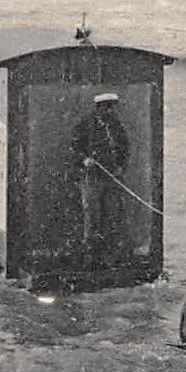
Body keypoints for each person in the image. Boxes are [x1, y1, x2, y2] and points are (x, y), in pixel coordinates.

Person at [72, 92, 131, 268]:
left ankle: (111, 256)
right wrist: (84, 160)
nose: (111, 110)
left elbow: (125, 149)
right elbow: (73, 148)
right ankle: (91, 257)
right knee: (92, 217)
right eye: (107, 107)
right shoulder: (86, 126)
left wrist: (121, 166)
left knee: (113, 215)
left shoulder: (116, 126)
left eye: (113, 107)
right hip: (91, 179)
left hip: (112, 177)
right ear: (99, 108)